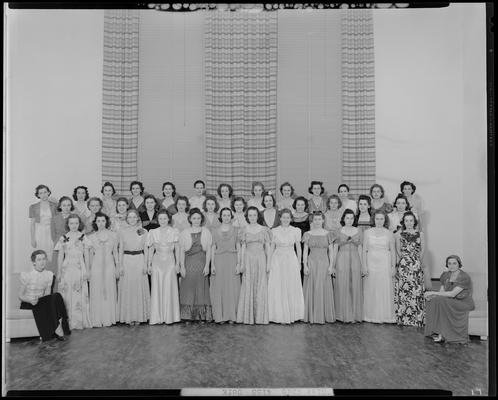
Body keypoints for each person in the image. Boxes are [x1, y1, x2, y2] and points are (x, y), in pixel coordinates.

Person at [19, 250, 71, 342]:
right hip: (28, 303)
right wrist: (30, 300)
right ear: (34, 262)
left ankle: (62, 324)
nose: (42, 262)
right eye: (39, 259)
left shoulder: (49, 275)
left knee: (57, 295)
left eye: (44, 259)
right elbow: (20, 296)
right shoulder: (27, 275)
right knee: (52, 299)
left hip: (40, 301)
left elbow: (47, 295)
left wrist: (45, 302)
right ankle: (59, 329)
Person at [424, 255, 475, 344]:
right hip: (450, 300)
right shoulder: (445, 275)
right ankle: (436, 330)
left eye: (454, 263)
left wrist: (433, 292)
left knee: (442, 301)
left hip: (463, 303)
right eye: (449, 263)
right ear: (447, 265)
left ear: (459, 264)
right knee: (434, 300)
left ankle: (443, 334)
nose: (452, 266)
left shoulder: (464, 277)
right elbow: (442, 291)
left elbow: (452, 294)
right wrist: (433, 296)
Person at [54, 213, 92, 330]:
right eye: (71, 223)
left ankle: (79, 321)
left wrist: (87, 270)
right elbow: (60, 256)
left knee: (78, 293)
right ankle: (67, 322)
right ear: (68, 224)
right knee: (66, 293)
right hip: (67, 268)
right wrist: (59, 272)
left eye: (76, 223)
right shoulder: (63, 238)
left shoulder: (83, 237)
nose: (74, 225)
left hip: (79, 267)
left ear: (79, 224)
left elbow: (87, 255)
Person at [267, 209, 304, 324]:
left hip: (290, 258)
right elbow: (271, 247)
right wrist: (269, 262)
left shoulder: (296, 231)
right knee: (278, 284)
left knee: (290, 284)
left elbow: (298, 247)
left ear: (291, 218)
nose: (286, 219)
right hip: (277, 258)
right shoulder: (274, 231)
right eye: (283, 217)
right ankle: (278, 314)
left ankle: (293, 313)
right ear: (280, 218)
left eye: (288, 217)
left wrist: (299, 262)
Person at [146, 209, 181, 325]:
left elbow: (177, 249)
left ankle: (170, 316)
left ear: (168, 219)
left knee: (169, 287)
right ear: (158, 219)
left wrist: (177, 264)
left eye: (165, 218)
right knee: (157, 287)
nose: (162, 221)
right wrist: (149, 264)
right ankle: (157, 317)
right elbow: (151, 249)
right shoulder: (152, 232)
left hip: (170, 261)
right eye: (160, 218)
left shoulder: (174, 231)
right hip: (157, 262)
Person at [236, 206, 270, 325]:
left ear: (258, 216)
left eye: (254, 215)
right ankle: (248, 317)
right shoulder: (243, 230)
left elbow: (268, 247)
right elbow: (243, 247)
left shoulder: (264, 230)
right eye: (250, 215)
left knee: (261, 285)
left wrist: (269, 263)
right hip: (248, 259)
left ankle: (260, 317)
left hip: (261, 258)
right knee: (248, 284)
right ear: (247, 217)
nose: (252, 217)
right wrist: (241, 263)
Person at [179, 208, 213, 322]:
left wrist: (207, 265)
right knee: (187, 288)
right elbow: (181, 251)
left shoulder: (206, 231)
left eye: (198, 218)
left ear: (201, 219)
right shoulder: (184, 232)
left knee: (201, 288)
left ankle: (201, 316)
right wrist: (182, 267)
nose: (196, 220)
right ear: (190, 219)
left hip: (201, 262)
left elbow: (208, 250)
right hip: (188, 263)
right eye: (194, 218)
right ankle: (187, 316)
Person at [362, 210, 396, 323]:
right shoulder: (367, 232)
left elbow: (393, 251)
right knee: (372, 287)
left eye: (382, 219)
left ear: (385, 220)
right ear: (373, 219)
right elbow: (364, 250)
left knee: (384, 287)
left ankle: (385, 315)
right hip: (371, 261)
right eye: (377, 219)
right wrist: (364, 265)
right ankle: (370, 314)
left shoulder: (389, 233)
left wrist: (393, 266)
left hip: (385, 261)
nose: (379, 221)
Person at [117, 210, 150, 325]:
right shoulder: (122, 231)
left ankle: (139, 316)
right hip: (126, 260)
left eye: (134, 217)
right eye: (129, 217)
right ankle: (129, 316)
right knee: (128, 287)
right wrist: (120, 265)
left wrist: (146, 264)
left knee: (138, 287)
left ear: (137, 218)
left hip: (139, 259)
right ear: (127, 219)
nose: (132, 219)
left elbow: (146, 248)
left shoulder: (143, 231)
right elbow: (120, 249)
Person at [302, 212, 336, 324]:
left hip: (324, 263)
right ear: (313, 221)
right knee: (312, 286)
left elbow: (331, 251)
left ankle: (323, 314)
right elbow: (305, 250)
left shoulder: (328, 234)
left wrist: (331, 266)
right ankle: (312, 314)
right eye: (315, 219)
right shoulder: (307, 234)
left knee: (322, 286)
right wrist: (305, 265)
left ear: (323, 220)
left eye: (319, 219)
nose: (317, 221)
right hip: (312, 262)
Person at [394, 211, 426, 327]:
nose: (409, 223)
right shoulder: (399, 234)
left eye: (411, 220)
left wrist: (417, 261)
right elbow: (398, 249)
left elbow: (423, 249)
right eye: (406, 220)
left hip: (416, 263)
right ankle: (404, 319)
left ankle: (417, 319)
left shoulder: (420, 234)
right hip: (404, 264)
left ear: (414, 222)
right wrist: (405, 259)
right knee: (404, 291)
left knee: (416, 291)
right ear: (403, 222)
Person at [210, 207, 242, 324]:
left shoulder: (237, 230)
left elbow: (238, 247)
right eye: (224, 215)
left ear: (231, 216)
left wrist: (239, 263)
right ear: (221, 216)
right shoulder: (214, 230)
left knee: (232, 288)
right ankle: (220, 316)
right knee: (219, 288)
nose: (226, 217)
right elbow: (213, 247)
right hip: (219, 260)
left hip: (232, 260)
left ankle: (232, 315)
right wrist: (212, 264)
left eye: (228, 215)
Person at [87, 212, 119, 327]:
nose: (101, 223)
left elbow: (115, 252)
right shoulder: (91, 237)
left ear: (107, 222)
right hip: (96, 264)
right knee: (97, 290)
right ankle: (97, 319)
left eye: (103, 221)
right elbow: (90, 255)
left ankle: (109, 318)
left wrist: (117, 267)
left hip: (110, 264)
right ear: (95, 222)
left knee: (110, 288)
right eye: (98, 221)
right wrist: (89, 270)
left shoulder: (114, 235)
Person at [333, 209, 363, 323]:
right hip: (342, 258)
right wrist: (333, 265)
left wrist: (362, 264)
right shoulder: (338, 231)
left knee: (355, 285)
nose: (349, 220)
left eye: (351, 218)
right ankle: (341, 314)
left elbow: (360, 248)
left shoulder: (359, 231)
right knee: (342, 285)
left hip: (355, 258)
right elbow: (335, 248)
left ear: (354, 219)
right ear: (343, 219)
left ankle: (354, 314)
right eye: (347, 218)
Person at [30, 184, 58, 267]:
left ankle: (51, 274)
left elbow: (57, 221)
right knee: (40, 252)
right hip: (40, 232)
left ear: (49, 193)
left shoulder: (55, 205)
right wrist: (32, 239)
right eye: (41, 193)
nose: (43, 195)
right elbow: (32, 225)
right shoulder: (33, 207)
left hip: (51, 231)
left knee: (51, 252)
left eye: (45, 192)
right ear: (38, 195)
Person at [51, 196, 74, 290]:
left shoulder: (74, 218)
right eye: (64, 205)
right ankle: (58, 294)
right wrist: (59, 243)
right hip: (58, 245)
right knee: (58, 270)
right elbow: (53, 235)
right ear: (60, 206)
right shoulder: (54, 218)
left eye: (69, 205)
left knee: (70, 269)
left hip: (72, 246)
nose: (66, 207)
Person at [291, 196, 310, 283]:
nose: (300, 206)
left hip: (306, 245)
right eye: (298, 204)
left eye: (302, 204)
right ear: (295, 205)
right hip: (293, 246)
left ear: (305, 205)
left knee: (304, 265)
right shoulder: (290, 217)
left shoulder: (309, 217)